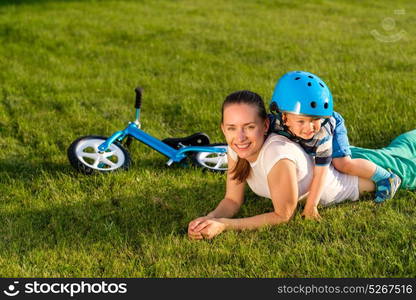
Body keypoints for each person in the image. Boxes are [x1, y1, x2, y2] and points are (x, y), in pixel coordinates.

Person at [187, 90, 416, 240]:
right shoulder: (236, 149)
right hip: (330, 158)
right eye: (232, 128)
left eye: (249, 126)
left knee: (406, 158)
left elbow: (283, 215)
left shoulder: (277, 155)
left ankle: (390, 177)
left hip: (361, 176)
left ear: (266, 125)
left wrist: (226, 225)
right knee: (404, 145)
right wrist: (211, 218)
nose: (240, 137)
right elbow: (232, 200)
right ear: (223, 129)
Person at [268, 71, 401, 220]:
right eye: (301, 121)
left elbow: (321, 172)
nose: (309, 127)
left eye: (315, 119)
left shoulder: (322, 133)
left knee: (342, 163)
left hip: (334, 125)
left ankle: (387, 178)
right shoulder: (273, 123)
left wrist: (311, 206)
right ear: (284, 117)